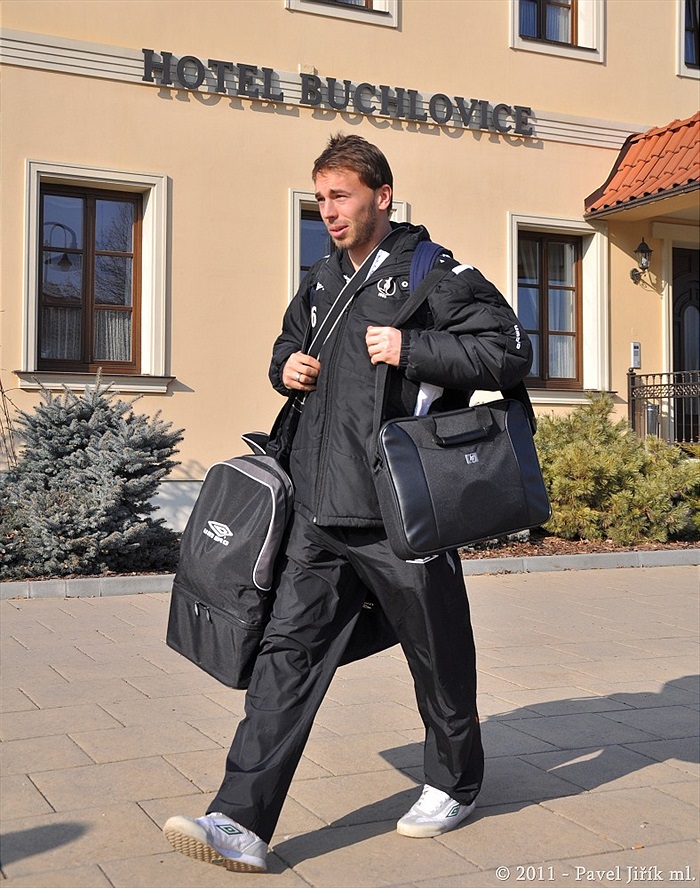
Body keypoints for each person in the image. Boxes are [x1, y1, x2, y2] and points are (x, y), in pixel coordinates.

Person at [163, 134, 532, 873]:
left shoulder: (436, 274)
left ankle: (455, 781)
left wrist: (413, 350)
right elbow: (287, 348)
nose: (327, 211)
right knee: (285, 656)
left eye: (341, 196)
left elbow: (509, 351)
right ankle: (237, 821)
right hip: (318, 510)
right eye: (320, 198)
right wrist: (286, 368)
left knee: (438, 654)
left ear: (381, 197)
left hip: (401, 511)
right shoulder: (324, 278)